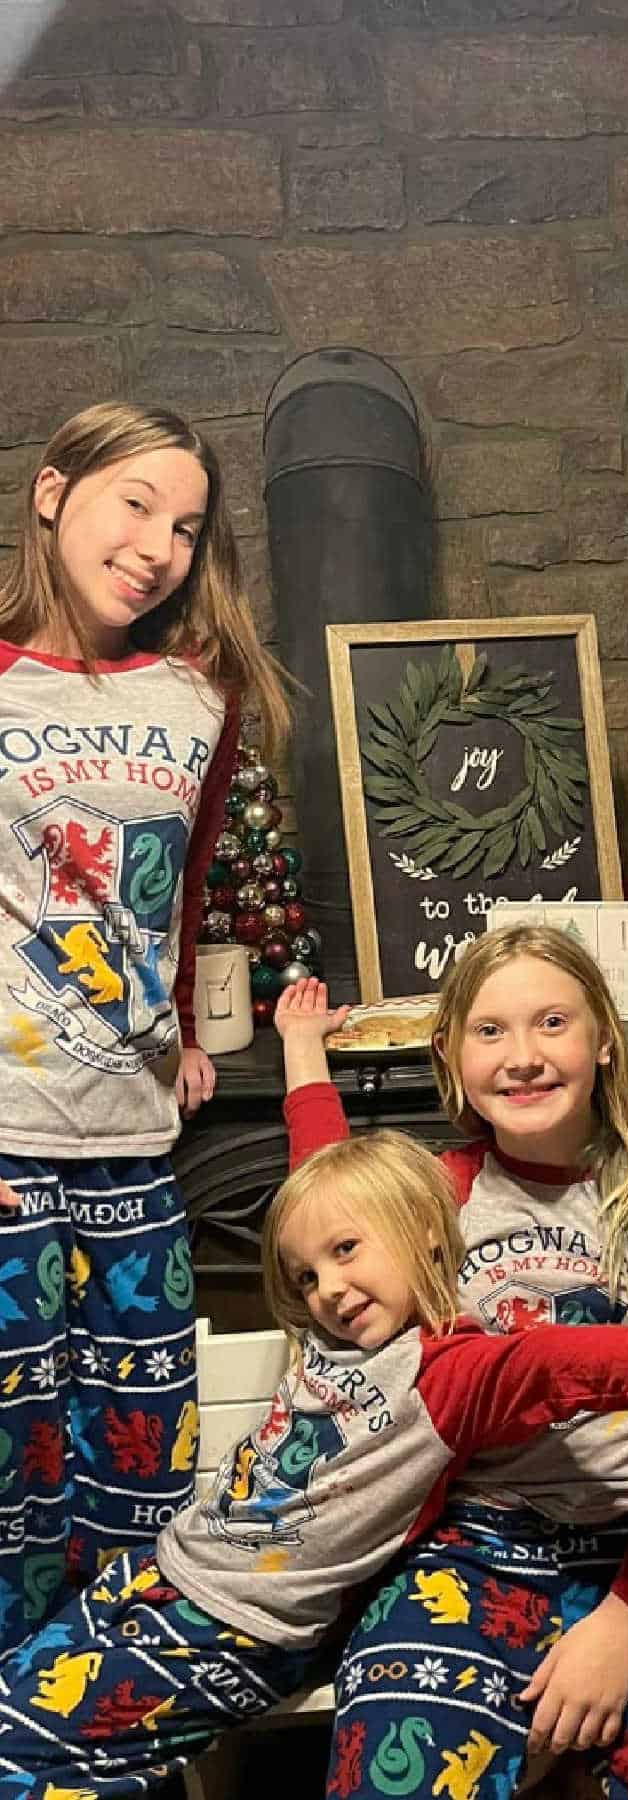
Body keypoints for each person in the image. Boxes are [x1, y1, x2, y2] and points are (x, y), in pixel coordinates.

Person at [0, 1052, 628, 1799]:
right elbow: (324, 1182)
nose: (330, 1288)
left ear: (421, 1231)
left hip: (246, 1623)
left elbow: (550, 1364)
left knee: (24, 1754)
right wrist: (303, 1048)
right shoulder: (333, 1331)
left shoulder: (445, 1371)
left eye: (348, 1252)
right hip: (167, 1566)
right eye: (308, 1276)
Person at [282, 935, 628, 1800]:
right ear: (450, 1053)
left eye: (551, 1023)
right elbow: (326, 1207)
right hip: (474, 1545)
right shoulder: (434, 1196)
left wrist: (626, 1621)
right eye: (489, 1031)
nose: (522, 1059)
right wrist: (302, 1054)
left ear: (602, 1039)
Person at [0, 402, 290, 1651]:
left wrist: (177, 1031)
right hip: (6, 1140)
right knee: (16, 1488)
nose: (161, 545)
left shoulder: (199, 695)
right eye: (136, 505)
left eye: (186, 525)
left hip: (132, 1147)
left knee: (142, 1471)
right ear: (54, 494)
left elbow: (180, 883)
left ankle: (115, 1736)